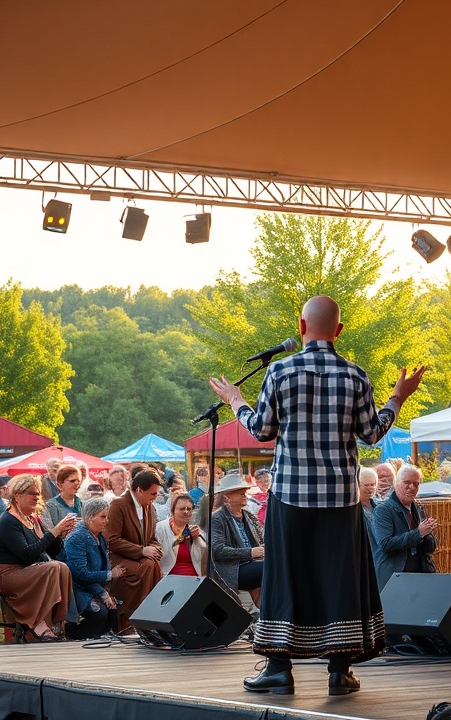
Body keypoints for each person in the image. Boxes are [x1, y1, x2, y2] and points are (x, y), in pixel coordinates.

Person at [208, 294, 424, 697]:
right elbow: (373, 434)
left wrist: (236, 401)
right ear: (338, 331)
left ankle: (278, 668)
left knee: (285, 578)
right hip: (341, 500)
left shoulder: (280, 372)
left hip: (290, 496)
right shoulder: (356, 376)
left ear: (301, 326)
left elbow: (261, 431)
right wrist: (398, 397)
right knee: (339, 580)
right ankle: (339, 672)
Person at [0, 474, 78, 641]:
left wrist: (59, 536)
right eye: (31, 493)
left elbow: (50, 552)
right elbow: (26, 555)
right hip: (9, 574)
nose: (37, 497)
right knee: (53, 567)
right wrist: (54, 531)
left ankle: (56, 623)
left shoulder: (32, 519)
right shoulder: (7, 521)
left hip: (28, 571)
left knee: (61, 567)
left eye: (38, 493)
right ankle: (39, 624)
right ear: (17, 496)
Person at [106, 467, 165, 631]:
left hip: (140, 559)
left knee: (151, 564)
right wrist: (142, 550)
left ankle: (145, 617)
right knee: (147, 566)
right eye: (152, 493)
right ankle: (129, 618)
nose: (155, 497)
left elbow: (152, 538)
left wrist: (155, 548)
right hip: (119, 558)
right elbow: (112, 540)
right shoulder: (118, 504)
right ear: (139, 490)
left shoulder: (149, 508)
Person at [63, 498, 126, 639]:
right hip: (75, 587)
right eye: (103, 517)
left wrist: (104, 591)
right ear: (91, 517)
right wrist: (109, 577)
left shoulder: (99, 537)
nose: (107, 521)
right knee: (100, 613)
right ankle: (71, 634)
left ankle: (97, 636)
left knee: (113, 609)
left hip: (91, 586)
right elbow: (80, 573)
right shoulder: (77, 538)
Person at [371, 464, 438, 589]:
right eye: (407, 482)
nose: (411, 487)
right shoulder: (383, 511)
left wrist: (428, 535)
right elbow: (386, 544)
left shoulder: (418, 509)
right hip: (394, 578)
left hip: (419, 576)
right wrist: (418, 533)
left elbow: (430, 549)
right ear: (396, 483)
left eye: (416, 484)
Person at [210, 473, 266, 606]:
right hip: (232, 569)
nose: (245, 496)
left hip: (252, 565)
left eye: (245, 493)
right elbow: (218, 550)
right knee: (271, 567)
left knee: (278, 564)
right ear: (227, 497)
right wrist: (250, 552)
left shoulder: (248, 516)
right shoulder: (217, 518)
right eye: (241, 493)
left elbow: (260, 539)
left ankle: (266, 613)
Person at [156, 492, 206, 577]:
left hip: (193, 579)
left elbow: (205, 554)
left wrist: (196, 538)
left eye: (189, 509)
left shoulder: (196, 531)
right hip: (168, 578)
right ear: (172, 511)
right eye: (182, 509)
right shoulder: (160, 529)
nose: (186, 512)